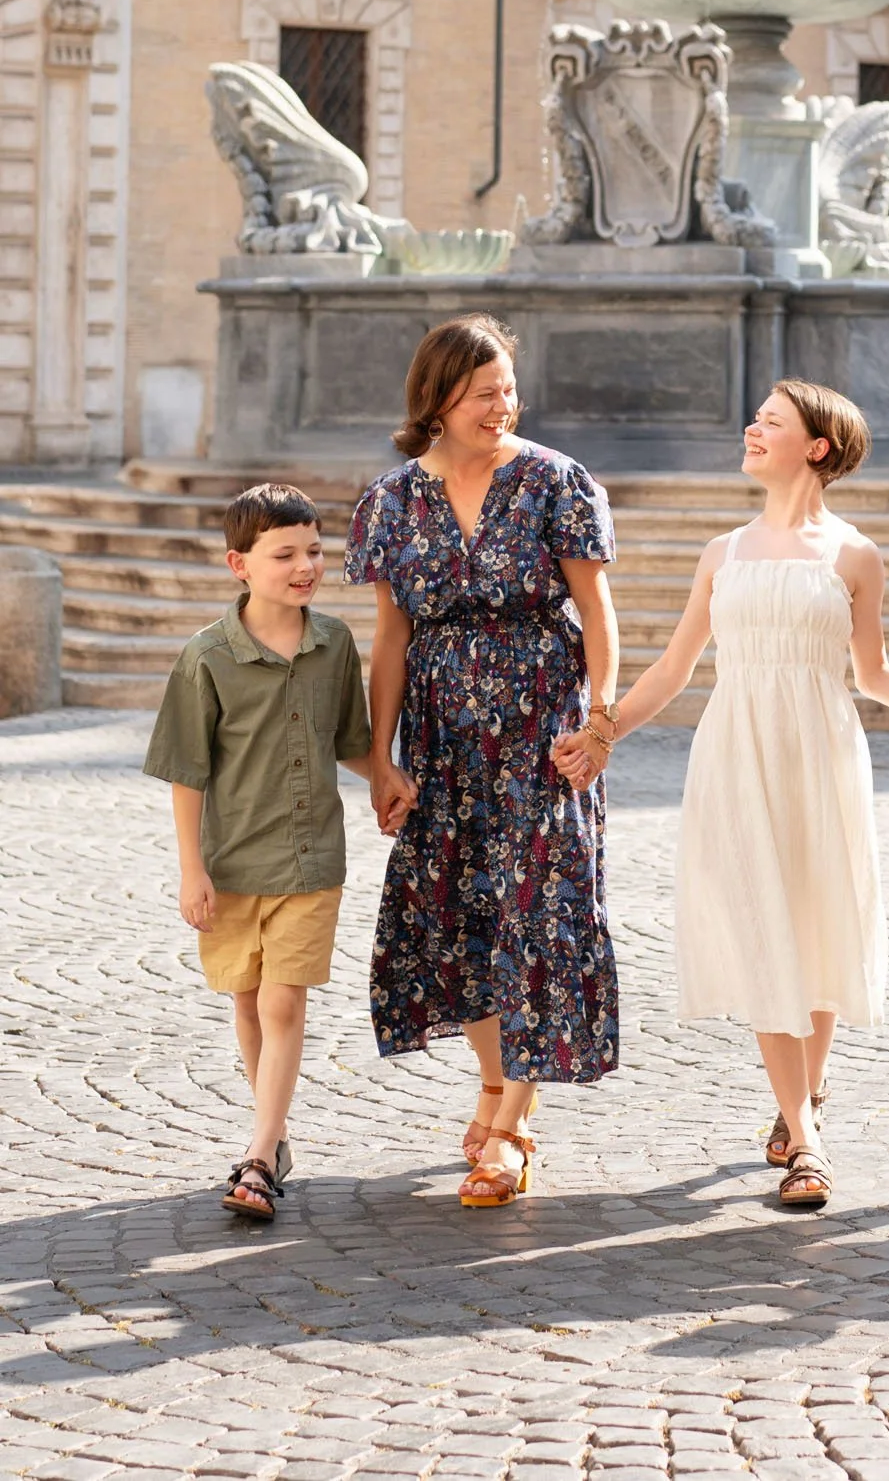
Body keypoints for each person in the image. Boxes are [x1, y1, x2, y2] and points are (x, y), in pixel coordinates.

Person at [556, 379, 889, 1212]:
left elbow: (874, 675)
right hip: (736, 754)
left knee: (815, 929)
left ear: (816, 447)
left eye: (771, 422)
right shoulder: (723, 552)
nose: (751, 428)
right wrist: (602, 734)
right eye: (754, 418)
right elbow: (674, 670)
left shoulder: (854, 555)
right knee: (763, 930)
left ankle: (800, 1107)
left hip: (821, 755)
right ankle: (808, 1145)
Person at [349, 314, 621, 1209]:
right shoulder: (391, 501)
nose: (501, 406)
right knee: (462, 917)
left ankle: (510, 1125)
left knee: (539, 913)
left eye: (508, 388)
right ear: (436, 400)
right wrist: (382, 759)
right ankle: (495, 1083)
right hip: (441, 740)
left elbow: (597, 614)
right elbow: (390, 639)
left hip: (542, 734)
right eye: (482, 393)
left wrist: (599, 721)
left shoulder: (554, 482)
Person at [143, 482, 387, 1223]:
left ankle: (257, 1155)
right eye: (285, 554)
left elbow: (350, 743)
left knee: (284, 1000)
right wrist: (192, 872)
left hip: (311, 861)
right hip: (232, 864)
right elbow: (186, 772)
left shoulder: (334, 644)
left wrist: (389, 778)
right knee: (248, 1003)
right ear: (239, 565)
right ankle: (271, 1137)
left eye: (314, 550)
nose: (305, 565)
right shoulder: (206, 658)